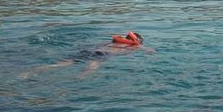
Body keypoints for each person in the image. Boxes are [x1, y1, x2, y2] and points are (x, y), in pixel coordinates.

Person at [20, 31, 153, 78]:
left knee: (60, 65)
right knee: (92, 66)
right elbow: (147, 50)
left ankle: (30, 71)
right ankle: (80, 78)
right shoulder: (134, 46)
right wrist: (149, 50)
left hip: (88, 51)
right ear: (136, 41)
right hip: (102, 54)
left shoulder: (112, 41)